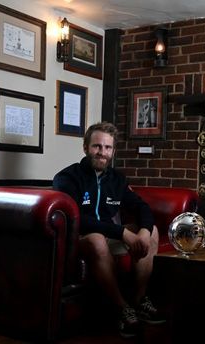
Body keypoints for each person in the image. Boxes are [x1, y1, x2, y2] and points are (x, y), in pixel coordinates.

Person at [53, 122, 165, 338]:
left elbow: (142, 207)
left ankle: (139, 300)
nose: (102, 153)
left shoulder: (117, 179)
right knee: (96, 239)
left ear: (113, 151)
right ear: (85, 147)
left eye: (107, 148)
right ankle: (122, 308)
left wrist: (143, 231)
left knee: (151, 232)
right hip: (80, 238)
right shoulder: (67, 178)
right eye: (96, 146)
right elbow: (78, 220)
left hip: (109, 237)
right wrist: (123, 233)